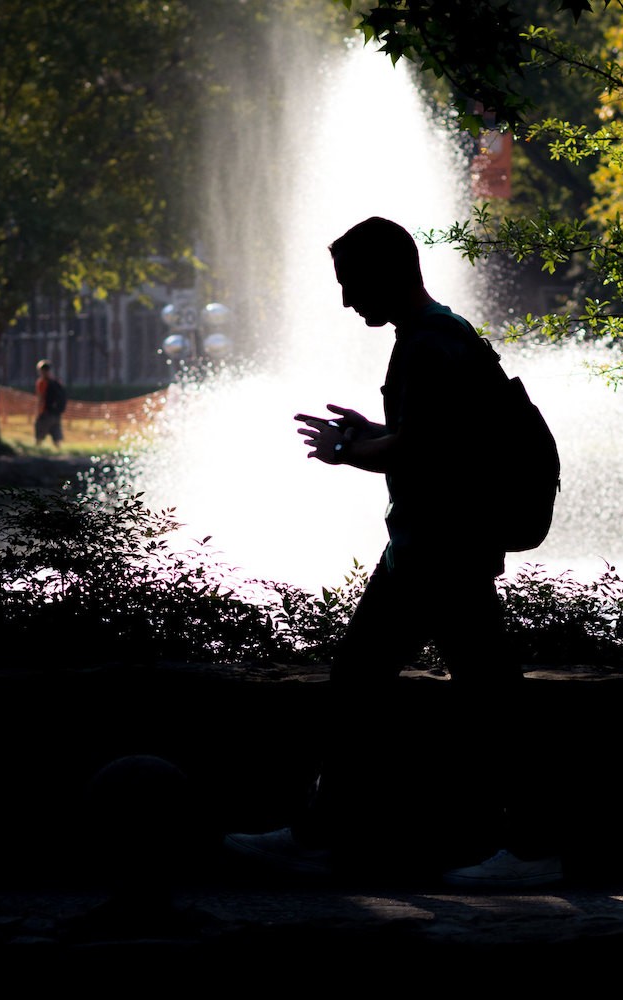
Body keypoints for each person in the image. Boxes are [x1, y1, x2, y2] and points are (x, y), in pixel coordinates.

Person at [223, 217, 561, 887]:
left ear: (388, 273)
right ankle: (523, 843)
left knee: (386, 686)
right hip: (440, 548)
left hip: (437, 553)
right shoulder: (447, 334)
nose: (348, 301)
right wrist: (372, 433)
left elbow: (422, 450)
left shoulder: (428, 346)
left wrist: (350, 451)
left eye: (353, 285)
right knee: (469, 690)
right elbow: (437, 435)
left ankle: (521, 848)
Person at [34, 359, 65, 448]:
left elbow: (41, 398)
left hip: (45, 413)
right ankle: (59, 453)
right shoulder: (57, 382)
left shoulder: (42, 382)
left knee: (39, 435)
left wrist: (38, 412)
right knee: (56, 436)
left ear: (41, 370)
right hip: (56, 414)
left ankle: (37, 452)